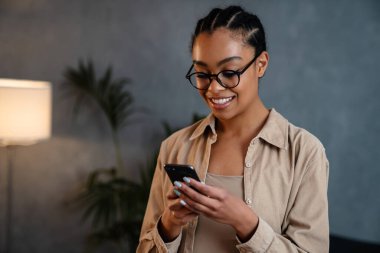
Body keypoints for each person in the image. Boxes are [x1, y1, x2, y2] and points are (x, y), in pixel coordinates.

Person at [137, 5, 329, 253]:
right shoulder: (175, 147)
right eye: (202, 73)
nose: (214, 88)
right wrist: (170, 224)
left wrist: (245, 222)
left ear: (261, 64)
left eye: (229, 72)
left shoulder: (305, 153)